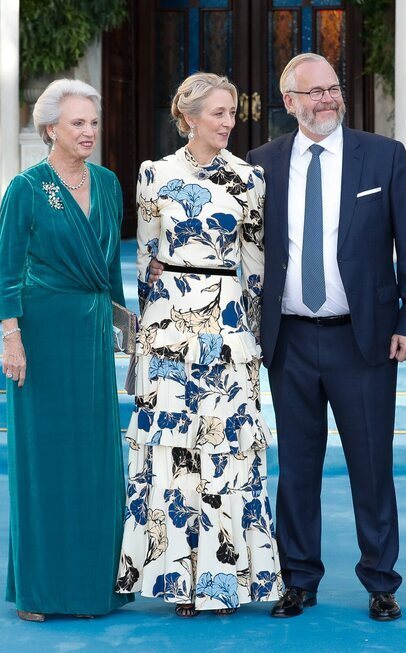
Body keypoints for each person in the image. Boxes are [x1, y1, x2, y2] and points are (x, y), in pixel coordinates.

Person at [248, 53, 406, 621]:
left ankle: (381, 580)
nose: (327, 99)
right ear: (290, 103)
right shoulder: (260, 164)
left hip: (366, 339)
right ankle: (298, 578)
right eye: (314, 92)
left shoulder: (384, 156)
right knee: (297, 468)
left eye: (333, 89)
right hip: (291, 341)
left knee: (371, 464)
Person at [116, 72, 282, 617]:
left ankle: (226, 581)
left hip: (226, 324)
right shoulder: (154, 175)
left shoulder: (249, 179)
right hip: (167, 326)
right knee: (173, 450)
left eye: (232, 112)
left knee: (228, 450)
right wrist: (145, 330)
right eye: (218, 113)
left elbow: (254, 264)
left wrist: (252, 333)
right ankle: (174, 582)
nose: (229, 122)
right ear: (188, 117)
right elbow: (144, 258)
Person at [0, 79, 131, 622]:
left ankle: (97, 585)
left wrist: (126, 330)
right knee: (44, 458)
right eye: (77, 123)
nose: (89, 132)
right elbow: (7, 270)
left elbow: (110, 269)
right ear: (50, 128)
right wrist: (12, 337)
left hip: (93, 335)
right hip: (43, 338)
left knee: (96, 458)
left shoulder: (108, 182)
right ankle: (42, 590)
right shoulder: (26, 189)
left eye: (93, 122)